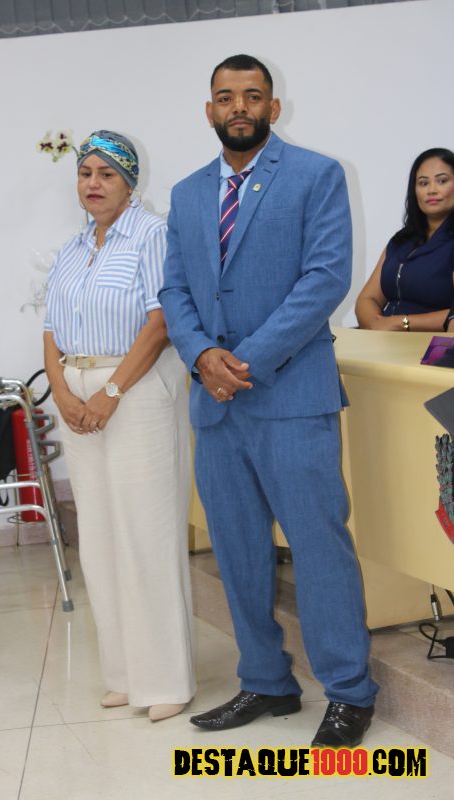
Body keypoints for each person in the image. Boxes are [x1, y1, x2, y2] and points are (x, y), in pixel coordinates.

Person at [159, 55, 378, 747]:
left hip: (291, 397)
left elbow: (324, 280)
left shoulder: (315, 175)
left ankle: (349, 691)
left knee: (318, 547)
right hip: (215, 405)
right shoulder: (187, 194)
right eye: (226, 97)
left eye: (252, 95)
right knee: (237, 551)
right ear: (209, 111)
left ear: (273, 108)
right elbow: (174, 291)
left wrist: (242, 362)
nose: (239, 107)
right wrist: (202, 356)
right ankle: (266, 681)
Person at [43, 130, 195, 722]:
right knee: (100, 536)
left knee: (146, 533)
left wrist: (110, 392)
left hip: (135, 392)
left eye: (107, 174)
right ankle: (125, 675)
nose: (94, 183)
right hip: (77, 394)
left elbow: (161, 323)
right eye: (85, 173)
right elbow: (51, 329)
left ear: (131, 182)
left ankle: (166, 679)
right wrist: (62, 392)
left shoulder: (153, 235)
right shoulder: (71, 248)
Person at [355, 148, 454, 331]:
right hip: (381, 338)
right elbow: (367, 299)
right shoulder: (400, 241)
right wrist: (376, 325)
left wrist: (401, 323)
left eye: (442, 181)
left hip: (428, 342)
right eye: (423, 183)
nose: (432, 190)